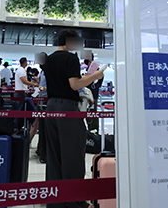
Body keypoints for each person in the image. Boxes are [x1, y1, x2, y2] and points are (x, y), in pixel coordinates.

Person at [44, 30, 104, 208]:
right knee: (73, 155)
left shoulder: (49, 59)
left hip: (51, 107)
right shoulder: (70, 59)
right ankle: (75, 202)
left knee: (54, 155)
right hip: (68, 109)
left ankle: (55, 201)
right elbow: (74, 84)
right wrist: (95, 76)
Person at [84, 56, 103, 132]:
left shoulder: (96, 71)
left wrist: (93, 97)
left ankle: (94, 132)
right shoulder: (87, 70)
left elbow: (96, 85)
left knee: (92, 114)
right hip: (87, 95)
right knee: (88, 114)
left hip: (92, 96)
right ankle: (90, 131)